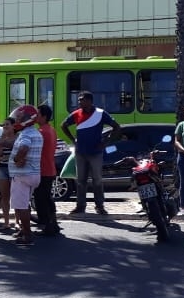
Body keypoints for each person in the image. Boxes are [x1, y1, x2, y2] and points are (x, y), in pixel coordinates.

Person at [61, 91, 121, 215]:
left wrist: (105, 142)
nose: (79, 102)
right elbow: (64, 125)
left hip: (96, 152)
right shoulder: (76, 114)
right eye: (79, 100)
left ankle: (100, 206)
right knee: (80, 180)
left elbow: (116, 127)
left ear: (89, 101)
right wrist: (73, 140)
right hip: (80, 152)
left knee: (97, 180)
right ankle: (80, 206)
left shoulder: (100, 113)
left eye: (81, 99)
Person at [8, 105, 44, 246]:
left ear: (27, 119)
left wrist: (17, 159)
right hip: (33, 173)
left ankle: (27, 235)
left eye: (20, 117)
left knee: (21, 206)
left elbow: (24, 147)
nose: (17, 119)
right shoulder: (35, 133)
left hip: (23, 176)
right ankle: (24, 230)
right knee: (25, 204)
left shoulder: (26, 134)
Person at [33, 104, 61, 236]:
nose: (35, 117)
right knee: (47, 198)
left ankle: (46, 224)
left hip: (42, 169)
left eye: (38, 114)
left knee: (41, 199)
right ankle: (52, 223)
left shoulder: (41, 132)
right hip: (50, 168)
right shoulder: (51, 130)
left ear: (44, 117)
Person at [0, 117, 16, 231]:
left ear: (13, 126)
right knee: (5, 196)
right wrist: (2, 140)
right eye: (4, 125)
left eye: (7, 124)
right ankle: (6, 222)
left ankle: (18, 222)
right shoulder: (0, 138)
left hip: (15, 169)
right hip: (2, 168)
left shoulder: (17, 137)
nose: (5, 127)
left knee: (16, 196)